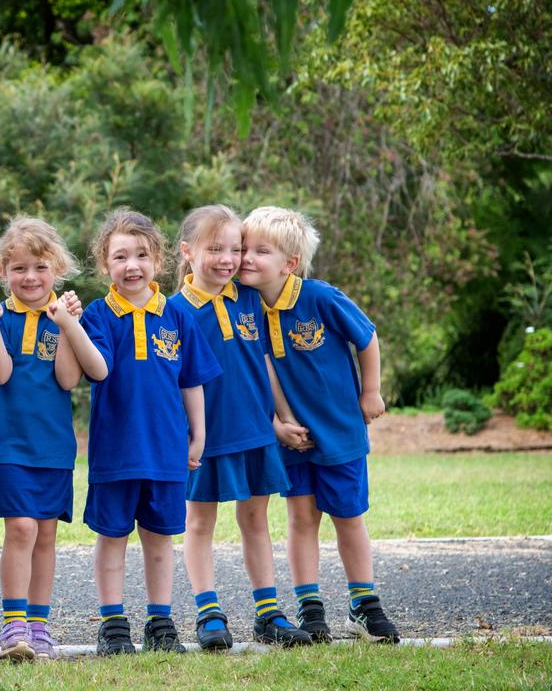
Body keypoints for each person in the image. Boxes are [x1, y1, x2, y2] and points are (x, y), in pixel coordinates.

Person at [239, 206, 400, 644]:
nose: (246, 258)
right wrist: (276, 423)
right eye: (244, 249)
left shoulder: (320, 297)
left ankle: (363, 604)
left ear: (290, 263)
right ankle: (311, 608)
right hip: (291, 437)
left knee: (348, 516)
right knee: (301, 517)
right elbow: (255, 373)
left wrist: (371, 391)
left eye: (260, 251)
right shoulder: (243, 306)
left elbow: (366, 338)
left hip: (340, 430)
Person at [78, 208, 221, 655]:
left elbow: (191, 380)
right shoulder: (98, 316)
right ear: (105, 265)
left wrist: (197, 434)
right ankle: (113, 622)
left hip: (166, 452)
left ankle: (160, 621)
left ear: (157, 259)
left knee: (160, 541)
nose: (132, 265)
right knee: (112, 537)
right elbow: (95, 371)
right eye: (120, 257)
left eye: (141, 254)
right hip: (115, 451)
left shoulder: (178, 317)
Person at [170, 205, 313, 650]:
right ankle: (208, 613)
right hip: (205, 438)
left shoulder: (249, 298)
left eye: (235, 249)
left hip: (254, 433)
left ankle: (268, 613)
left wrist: (281, 419)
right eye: (215, 248)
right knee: (199, 523)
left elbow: (264, 366)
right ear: (188, 252)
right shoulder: (173, 311)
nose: (228, 259)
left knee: (255, 518)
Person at [0, 217, 100, 661]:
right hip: (7, 443)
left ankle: (39, 627)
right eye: (20, 268)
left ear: (57, 270)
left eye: (41, 268)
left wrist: (67, 324)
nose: (31, 277)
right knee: (21, 527)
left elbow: (68, 378)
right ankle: (13, 626)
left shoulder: (61, 319)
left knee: (46, 534)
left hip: (54, 446)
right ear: (3, 271)